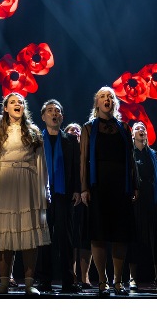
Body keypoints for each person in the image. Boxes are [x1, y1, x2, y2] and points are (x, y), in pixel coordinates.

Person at [0, 92, 51, 295]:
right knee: (5, 234)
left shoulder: (33, 130)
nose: (17, 104)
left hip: (28, 184)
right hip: (4, 183)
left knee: (30, 232)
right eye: (12, 102)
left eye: (20, 102)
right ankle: (3, 282)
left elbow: (41, 163)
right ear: (5, 108)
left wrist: (44, 189)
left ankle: (29, 283)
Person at [79, 87, 136, 296]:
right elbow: (83, 159)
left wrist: (134, 185)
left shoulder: (124, 128)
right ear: (97, 103)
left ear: (115, 102)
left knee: (120, 234)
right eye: (103, 96)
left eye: (110, 96)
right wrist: (84, 188)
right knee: (99, 234)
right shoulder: (88, 128)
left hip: (121, 186)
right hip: (98, 186)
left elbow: (131, 160)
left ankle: (118, 280)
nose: (107, 99)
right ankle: (102, 280)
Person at [35, 99, 81, 294]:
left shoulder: (69, 140)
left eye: (58, 111)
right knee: (44, 238)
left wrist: (78, 190)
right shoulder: (36, 139)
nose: (54, 113)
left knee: (65, 238)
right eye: (50, 110)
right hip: (41, 195)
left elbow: (76, 167)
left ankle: (68, 281)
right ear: (43, 116)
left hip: (63, 194)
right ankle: (44, 280)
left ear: (62, 117)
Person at [127, 121, 157, 293]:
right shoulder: (129, 154)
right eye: (137, 128)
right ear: (132, 135)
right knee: (134, 239)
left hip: (154, 200)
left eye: (143, 128)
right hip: (135, 202)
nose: (141, 130)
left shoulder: (155, 155)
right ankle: (132, 278)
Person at [65, 122, 93, 290]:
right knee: (72, 238)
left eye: (77, 130)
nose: (75, 131)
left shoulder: (86, 151)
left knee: (85, 238)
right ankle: (72, 274)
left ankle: (85, 276)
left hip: (86, 197)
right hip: (70, 197)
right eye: (71, 130)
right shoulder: (65, 148)